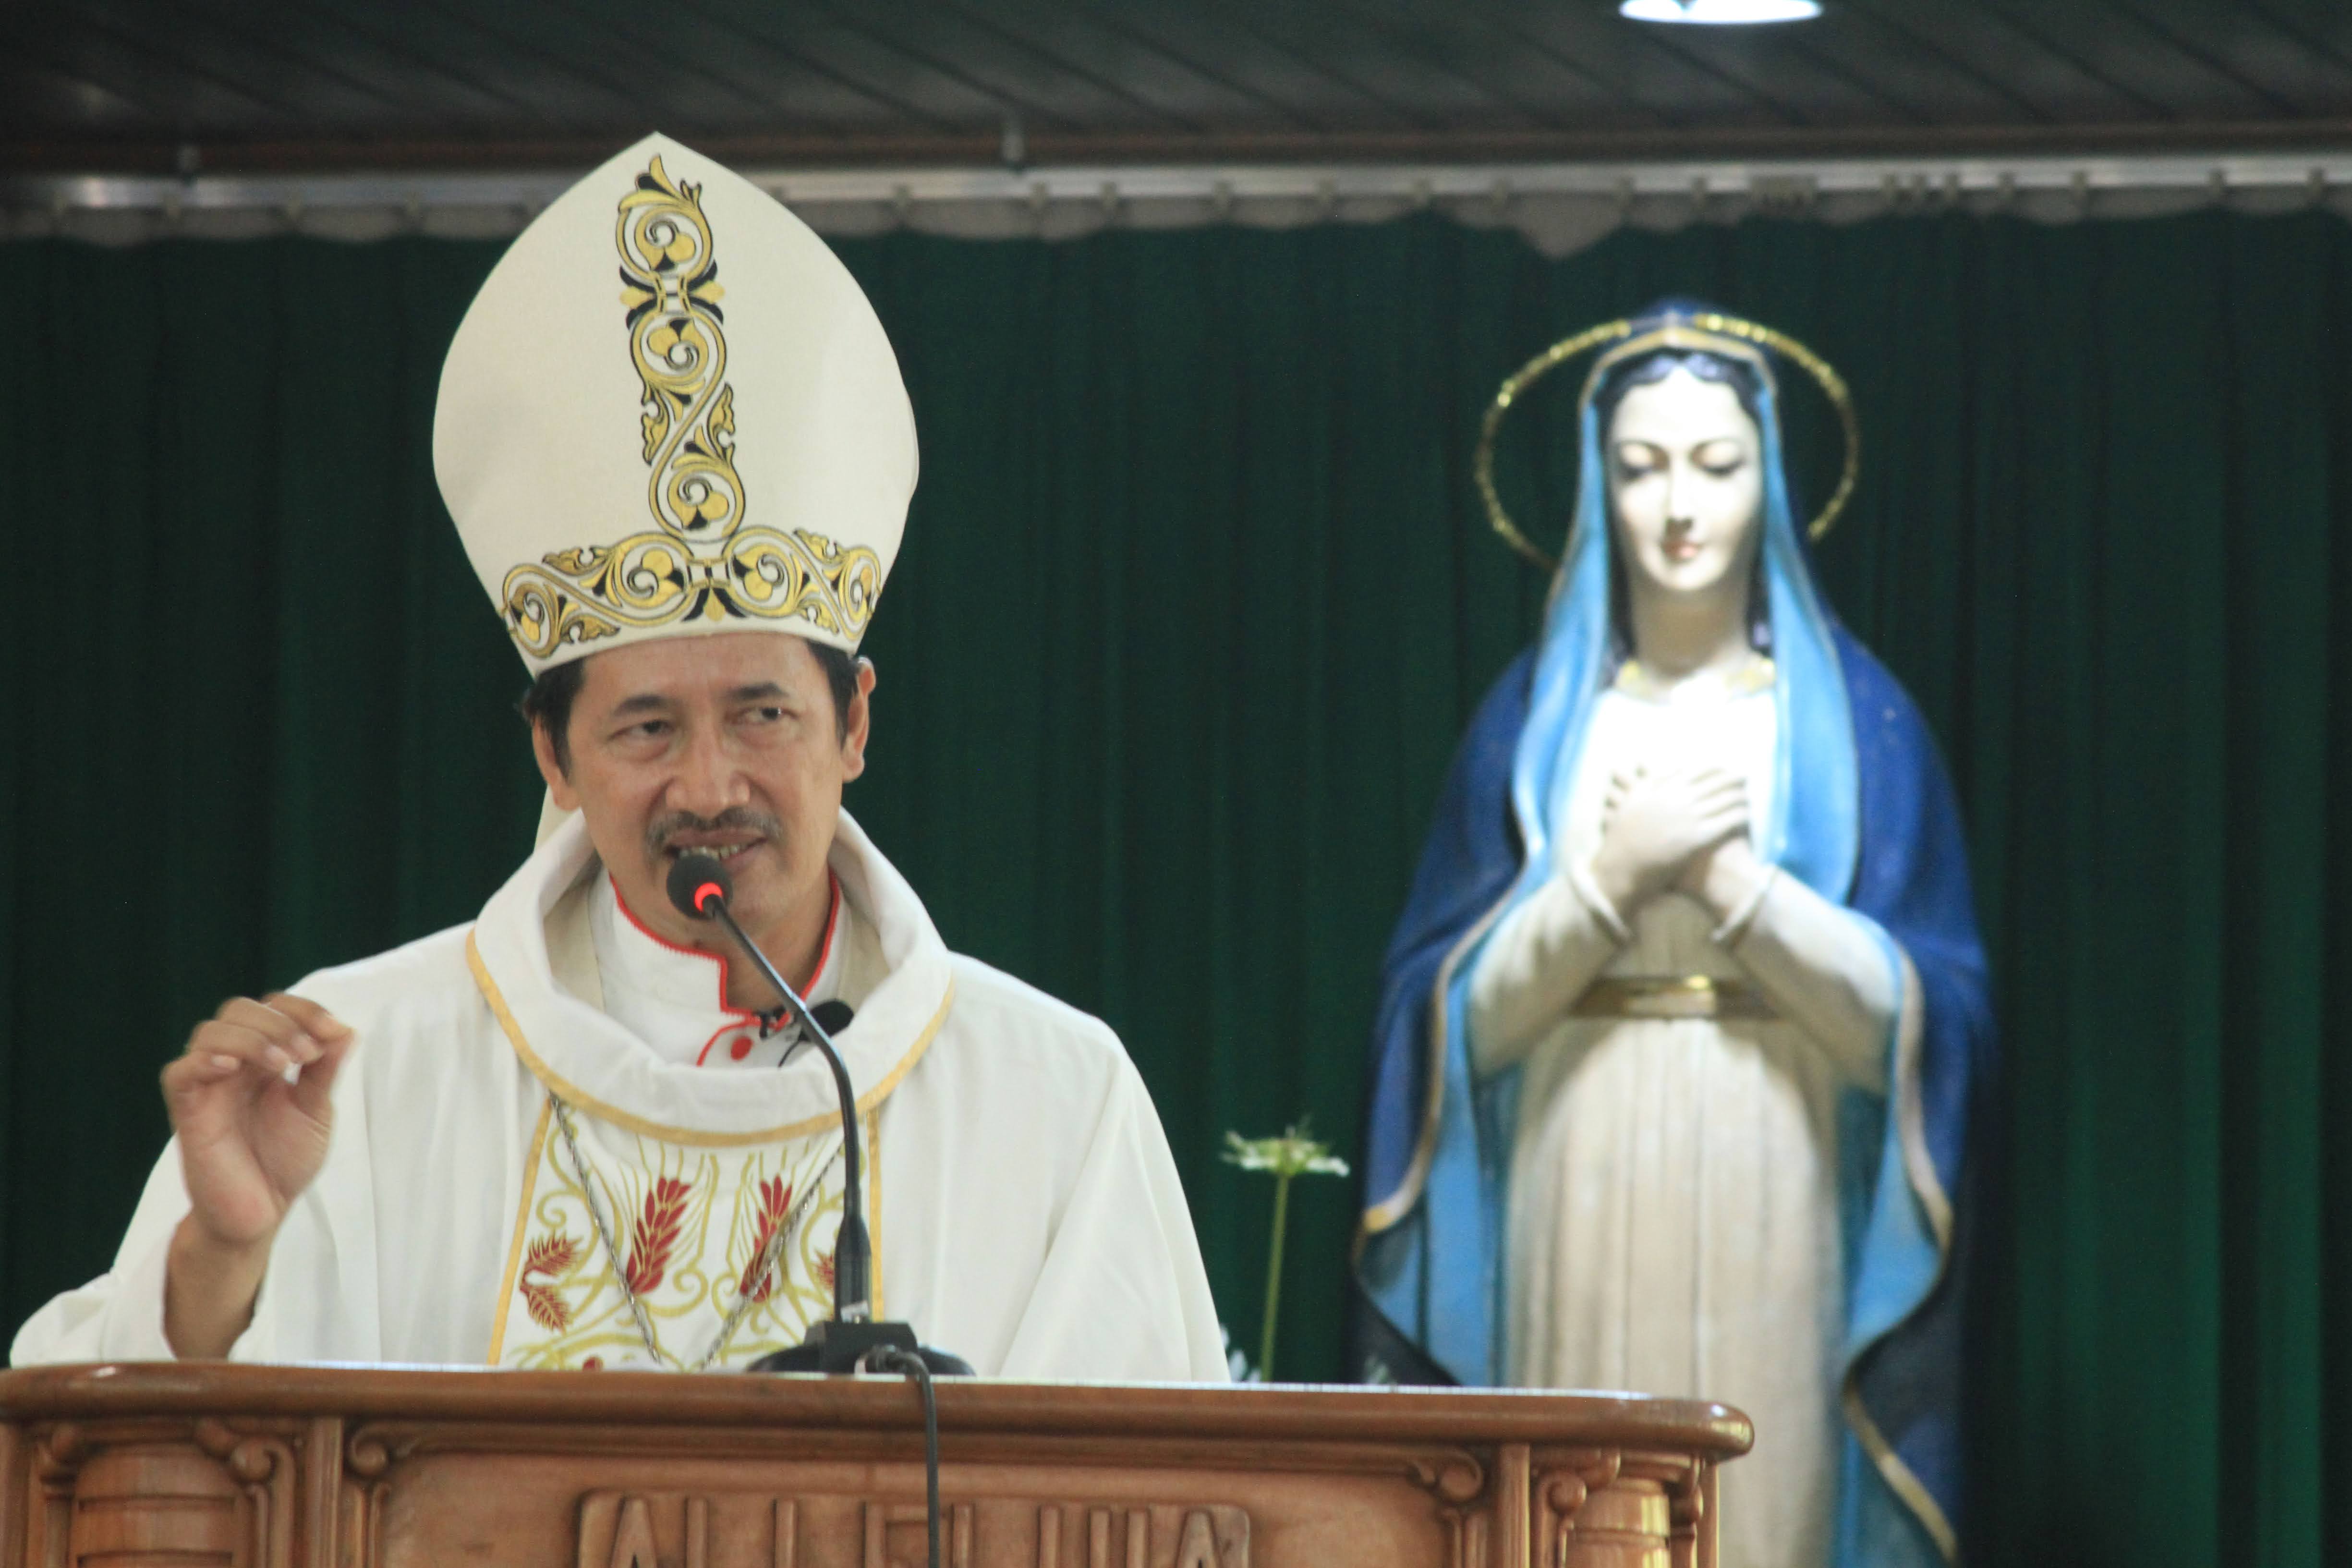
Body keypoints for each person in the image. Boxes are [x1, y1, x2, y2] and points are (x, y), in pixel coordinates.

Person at [15, 134, 1227, 1380]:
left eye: (763, 716)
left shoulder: (1052, 1098)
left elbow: (1151, 1476)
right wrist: (222, 1256)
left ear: (856, 723)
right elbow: (93, 1436)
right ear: (552, 751)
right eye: (647, 727)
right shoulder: (357, 1072)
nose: (708, 788)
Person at [1352, 306, 1990, 1568]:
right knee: (1578, 1503)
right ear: (1599, 486)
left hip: (1778, 1162)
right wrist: (1610, 881)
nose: (1680, 507)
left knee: (1764, 1502)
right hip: (1571, 1156)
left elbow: (1925, 1029)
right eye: (1641, 468)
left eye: (1716, 464)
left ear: (1771, 482)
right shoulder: (1536, 724)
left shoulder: (1858, 724)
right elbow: (1442, 1027)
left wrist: (1730, 881)